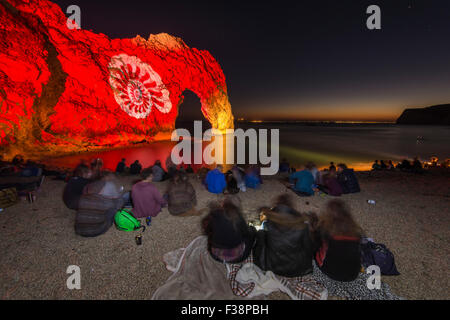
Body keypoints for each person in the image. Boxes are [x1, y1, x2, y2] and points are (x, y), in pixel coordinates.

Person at [253, 194, 315, 277]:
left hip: (272, 266)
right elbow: (308, 248)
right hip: (296, 268)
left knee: (260, 233)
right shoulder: (302, 226)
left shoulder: (269, 224)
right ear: (292, 208)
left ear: (276, 206)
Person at [310, 199, 363, 281]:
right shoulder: (357, 232)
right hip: (353, 274)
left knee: (312, 242)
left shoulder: (325, 231)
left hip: (331, 272)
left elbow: (316, 242)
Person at [202, 196, 255, 263]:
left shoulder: (213, 216)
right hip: (238, 258)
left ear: (223, 205)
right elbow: (246, 234)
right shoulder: (239, 218)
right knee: (252, 232)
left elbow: (206, 232)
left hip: (216, 256)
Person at [75, 173, 124, 237]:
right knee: (114, 208)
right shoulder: (105, 202)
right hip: (97, 231)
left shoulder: (82, 198)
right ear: (102, 191)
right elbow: (120, 203)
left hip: (79, 230)